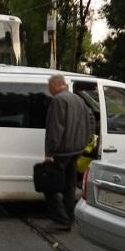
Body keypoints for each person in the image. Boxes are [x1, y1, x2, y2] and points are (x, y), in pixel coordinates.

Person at [43, 74, 95, 231]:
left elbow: (55, 129)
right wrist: (86, 139)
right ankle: (70, 218)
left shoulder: (58, 100)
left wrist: (50, 152)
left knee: (49, 186)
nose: (49, 90)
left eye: (49, 87)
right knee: (69, 186)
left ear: (56, 85)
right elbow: (91, 120)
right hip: (76, 151)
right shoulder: (78, 100)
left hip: (61, 152)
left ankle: (61, 220)